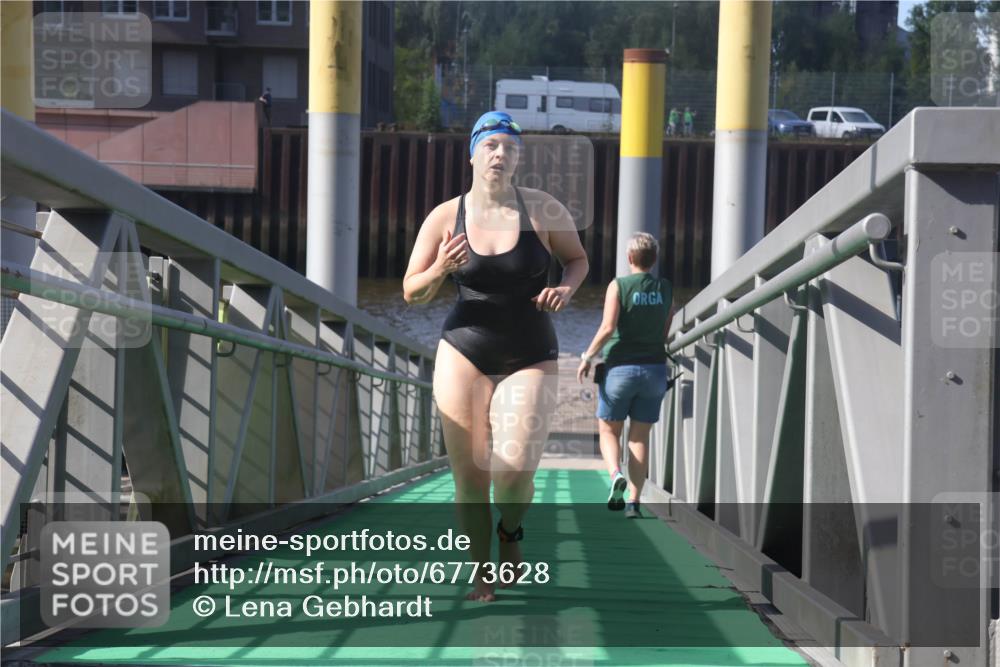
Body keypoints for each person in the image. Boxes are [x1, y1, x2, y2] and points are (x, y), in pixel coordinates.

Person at [403, 111, 589, 601]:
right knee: (471, 477)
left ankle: (510, 532)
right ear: (472, 153)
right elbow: (410, 292)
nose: (499, 154)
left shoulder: (544, 210)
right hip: (464, 347)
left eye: (509, 146)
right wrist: (442, 266)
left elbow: (578, 259)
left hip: (531, 349)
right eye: (490, 146)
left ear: (519, 157)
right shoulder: (446, 216)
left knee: (511, 473)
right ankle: (481, 573)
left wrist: (566, 290)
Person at [576, 232, 673, 519]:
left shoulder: (618, 286)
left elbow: (608, 328)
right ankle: (633, 500)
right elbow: (666, 328)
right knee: (639, 437)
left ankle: (615, 473)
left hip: (620, 368)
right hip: (655, 369)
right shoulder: (665, 287)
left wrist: (587, 357)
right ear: (654, 260)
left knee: (608, 430)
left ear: (630, 258)